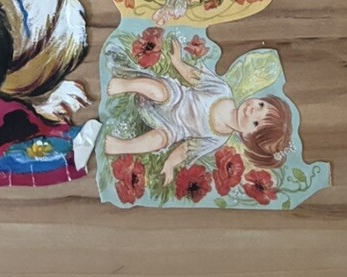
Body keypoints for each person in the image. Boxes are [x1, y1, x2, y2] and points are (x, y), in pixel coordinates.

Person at [104, 38, 291, 184]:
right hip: (176, 98)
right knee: (161, 91)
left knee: (160, 140)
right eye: (261, 105)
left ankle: (120, 146)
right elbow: (195, 77)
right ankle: (124, 85)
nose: (252, 110)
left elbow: (186, 149)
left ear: (247, 137)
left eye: (255, 122)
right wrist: (178, 62)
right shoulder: (223, 91)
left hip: (174, 128)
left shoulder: (217, 139)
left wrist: (169, 164)